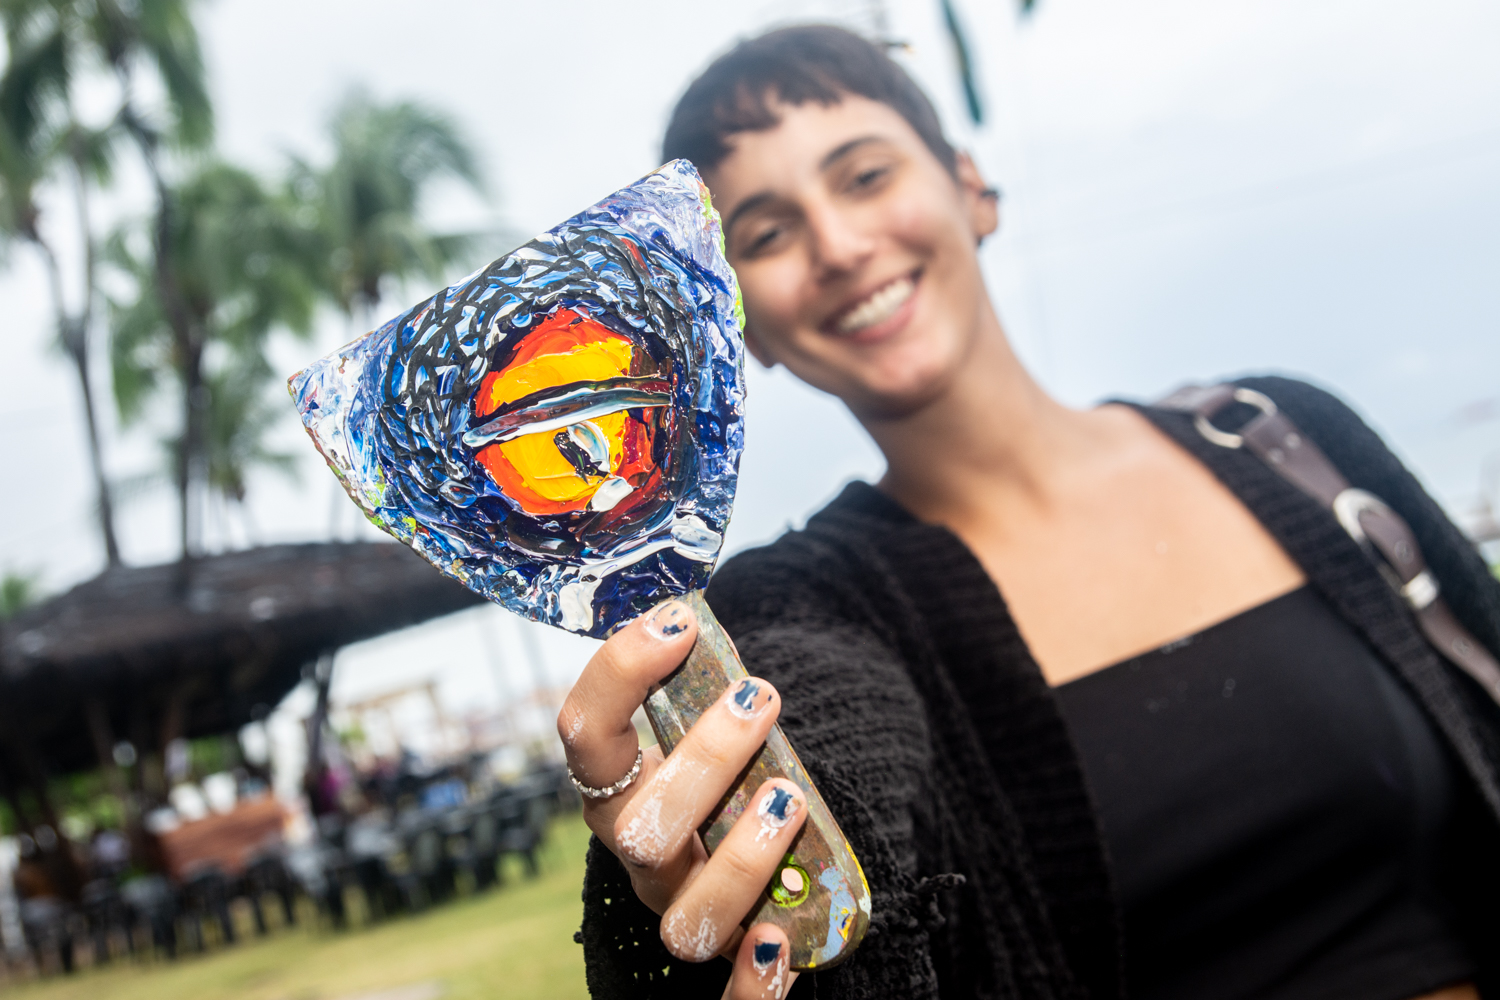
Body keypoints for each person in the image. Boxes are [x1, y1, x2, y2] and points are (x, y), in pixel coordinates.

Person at [558, 25, 1500, 1000]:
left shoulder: (1281, 435)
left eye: (866, 176)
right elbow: (836, 795)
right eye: (766, 236)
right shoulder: (797, 611)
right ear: (737, 320)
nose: (838, 246)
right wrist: (681, 884)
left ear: (971, 186)